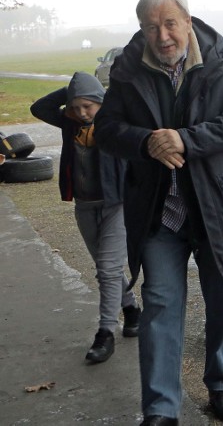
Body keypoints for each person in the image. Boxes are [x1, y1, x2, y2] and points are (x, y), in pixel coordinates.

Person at [94, 0, 223, 425]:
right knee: (160, 306)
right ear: (142, 29)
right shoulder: (128, 69)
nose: (163, 35)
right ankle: (161, 408)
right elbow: (107, 127)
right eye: (152, 27)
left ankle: (221, 384)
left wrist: (187, 139)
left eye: (170, 23)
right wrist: (146, 142)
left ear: (188, 21)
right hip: (161, 210)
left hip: (219, 208)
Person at [30, 72, 141, 364]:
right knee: (106, 267)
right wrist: (73, 90)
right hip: (84, 206)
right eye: (76, 107)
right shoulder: (69, 124)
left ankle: (106, 333)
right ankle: (131, 309)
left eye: (88, 106)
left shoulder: (114, 124)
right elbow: (39, 108)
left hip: (116, 206)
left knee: (107, 267)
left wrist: (95, 94)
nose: (82, 113)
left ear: (101, 104)